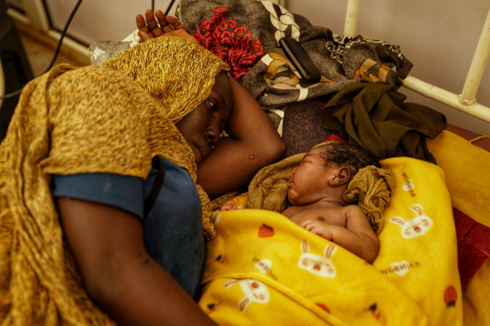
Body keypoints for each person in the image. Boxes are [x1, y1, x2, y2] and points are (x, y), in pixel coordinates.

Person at [0, 27, 285, 326]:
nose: (216, 133)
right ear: (171, 80)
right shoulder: (99, 93)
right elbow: (111, 271)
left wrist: (203, 57)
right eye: (211, 106)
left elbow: (263, 146)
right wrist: (191, 57)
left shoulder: (178, 168)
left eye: (223, 123)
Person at [282, 142, 381, 263]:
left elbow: (369, 248)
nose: (293, 172)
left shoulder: (348, 212)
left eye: (305, 162)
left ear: (339, 176)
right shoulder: (288, 210)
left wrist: (333, 232)